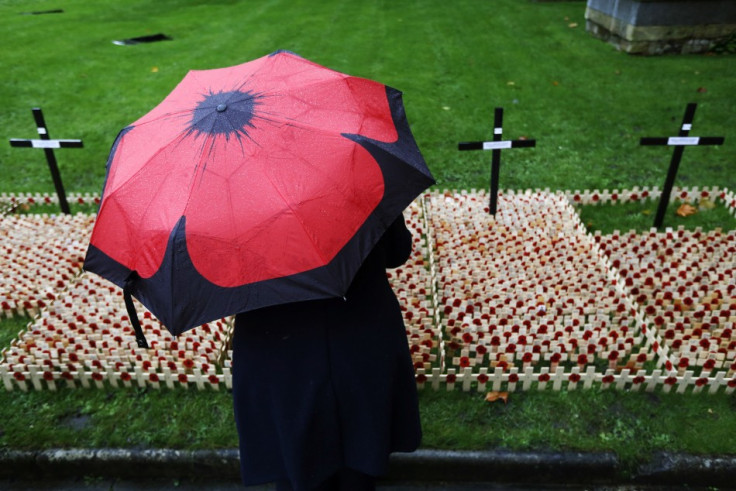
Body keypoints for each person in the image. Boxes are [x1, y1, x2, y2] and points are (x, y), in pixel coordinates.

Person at [231, 215, 422, 491]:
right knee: (359, 460)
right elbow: (396, 250)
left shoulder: (230, 200)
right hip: (358, 336)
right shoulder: (357, 175)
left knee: (296, 463)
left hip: (279, 348)